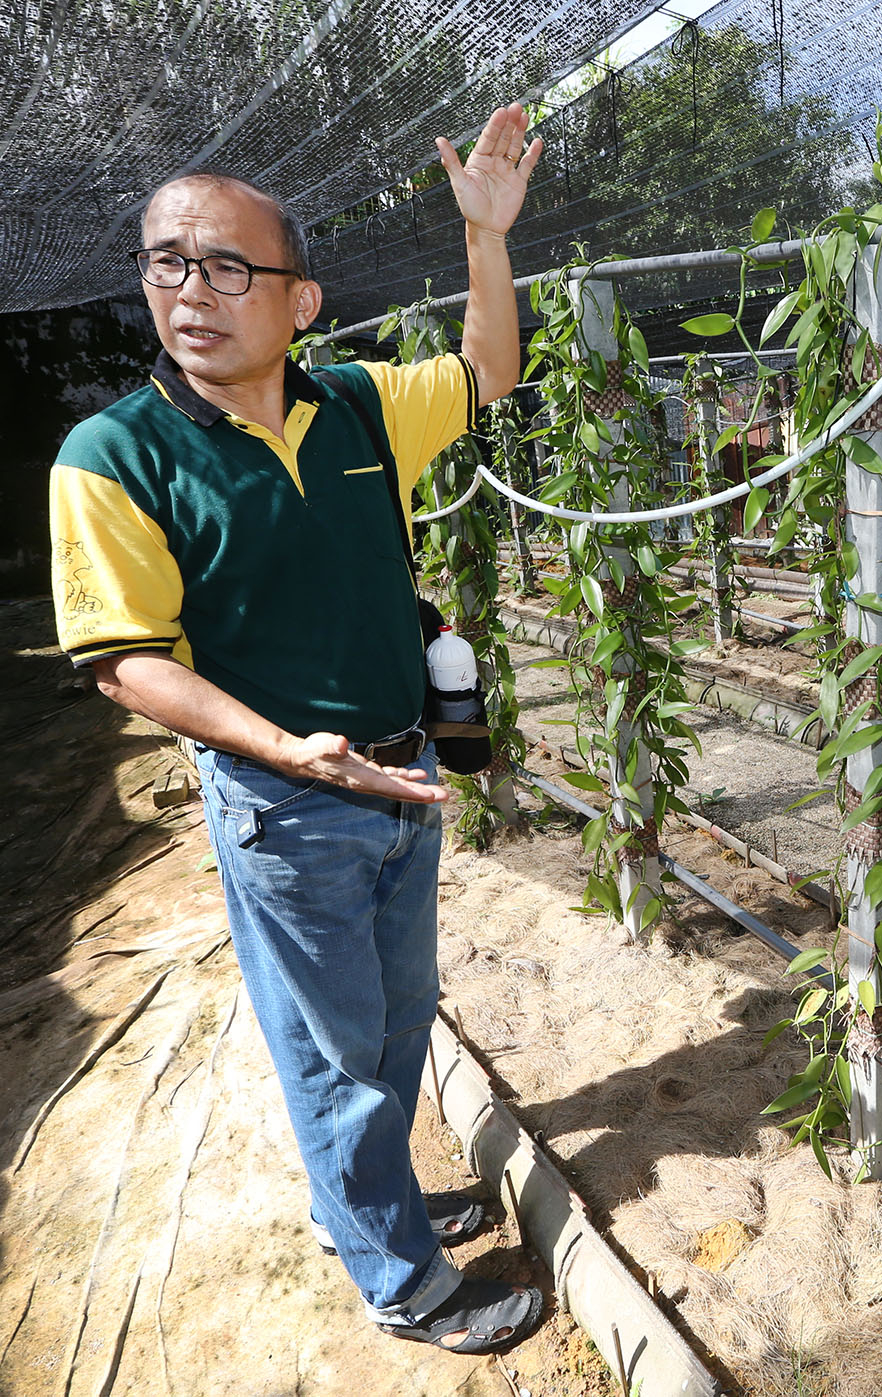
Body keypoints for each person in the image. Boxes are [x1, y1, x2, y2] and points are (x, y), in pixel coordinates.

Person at [48, 105, 545, 1355]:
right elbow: (125, 657)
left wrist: (486, 238)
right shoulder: (114, 454)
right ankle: (401, 1279)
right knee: (337, 1051)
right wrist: (280, 747)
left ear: (302, 299)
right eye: (168, 261)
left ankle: (356, 1203)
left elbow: (489, 370)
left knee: (393, 1017)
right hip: (289, 800)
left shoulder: (364, 409)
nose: (191, 291)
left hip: (401, 768)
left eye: (227, 265)